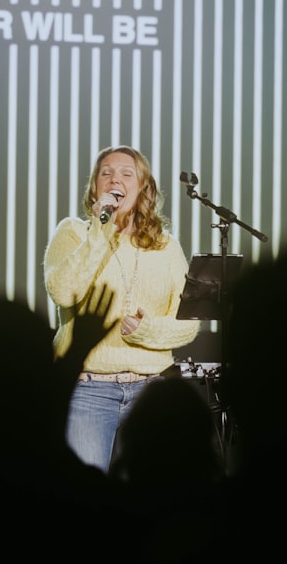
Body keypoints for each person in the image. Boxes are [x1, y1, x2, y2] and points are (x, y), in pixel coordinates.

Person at [43, 145, 200, 473]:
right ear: (95, 188)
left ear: (143, 187)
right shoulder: (74, 233)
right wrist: (102, 232)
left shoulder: (167, 247)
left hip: (152, 390)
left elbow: (188, 323)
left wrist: (146, 330)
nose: (115, 178)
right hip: (88, 389)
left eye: (127, 173)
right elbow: (64, 292)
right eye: (106, 173)